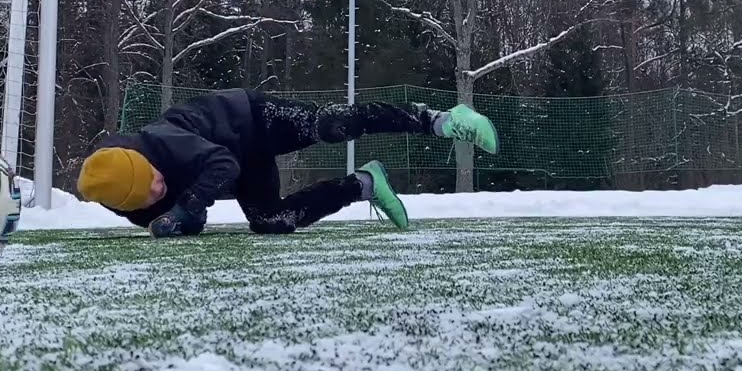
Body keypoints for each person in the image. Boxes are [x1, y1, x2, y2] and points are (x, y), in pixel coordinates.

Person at [75, 88, 498, 237]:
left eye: (153, 177)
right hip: (244, 159)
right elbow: (192, 220)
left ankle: (437, 120)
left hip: (249, 117)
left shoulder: (162, 142)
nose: (157, 188)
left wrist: (186, 205)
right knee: (270, 222)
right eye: (148, 196)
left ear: (143, 160)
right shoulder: (131, 205)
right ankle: (365, 184)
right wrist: (182, 222)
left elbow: (221, 164)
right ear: (127, 205)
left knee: (328, 124)